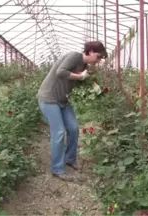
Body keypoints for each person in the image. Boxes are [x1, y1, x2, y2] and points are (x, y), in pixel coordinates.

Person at [36, 41, 107, 181]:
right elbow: (60, 72)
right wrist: (80, 77)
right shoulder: (75, 56)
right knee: (59, 132)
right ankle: (57, 169)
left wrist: (90, 83)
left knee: (73, 128)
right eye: (98, 57)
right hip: (49, 98)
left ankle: (70, 159)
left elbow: (75, 79)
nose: (98, 61)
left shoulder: (84, 65)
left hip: (62, 100)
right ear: (91, 51)